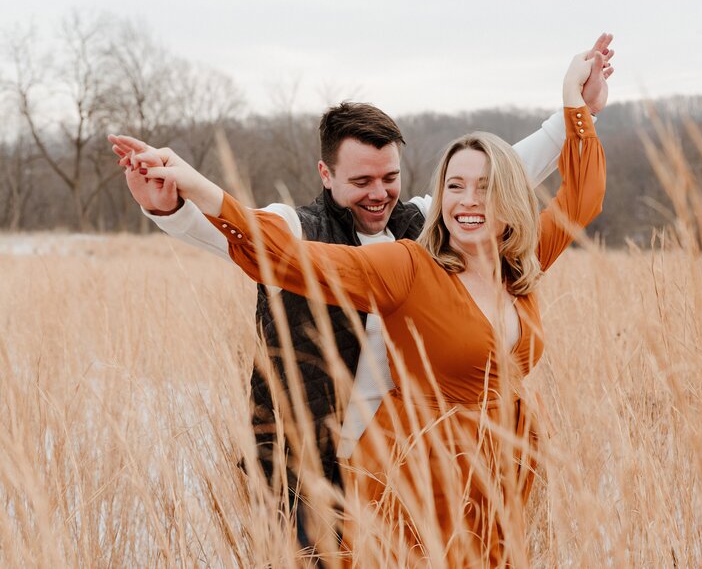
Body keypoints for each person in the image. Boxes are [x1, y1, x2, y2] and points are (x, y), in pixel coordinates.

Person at [115, 43, 607, 565]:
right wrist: (176, 201)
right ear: (327, 175)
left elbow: (507, 173)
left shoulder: (428, 230)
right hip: (314, 462)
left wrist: (575, 109)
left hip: (460, 468)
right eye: (361, 181)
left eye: (389, 179)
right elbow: (256, 245)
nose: (379, 194)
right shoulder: (307, 228)